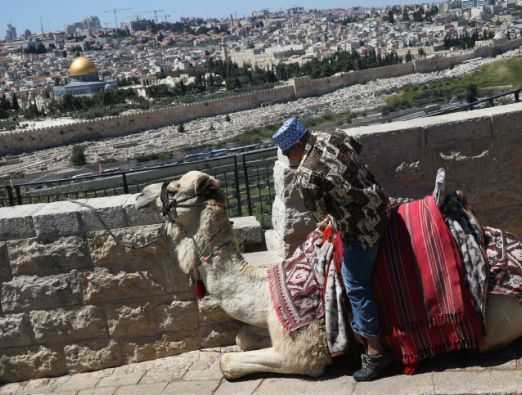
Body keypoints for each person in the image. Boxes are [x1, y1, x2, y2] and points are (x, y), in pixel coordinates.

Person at [272, 117, 392, 382]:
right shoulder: (336, 135)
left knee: (355, 285)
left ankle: (375, 352)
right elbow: (357, 152)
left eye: (288, 152)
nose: (289, 158)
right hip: (381, 204)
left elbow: (321, 214)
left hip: (362, 230)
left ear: (294, 146)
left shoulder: (306, 174)